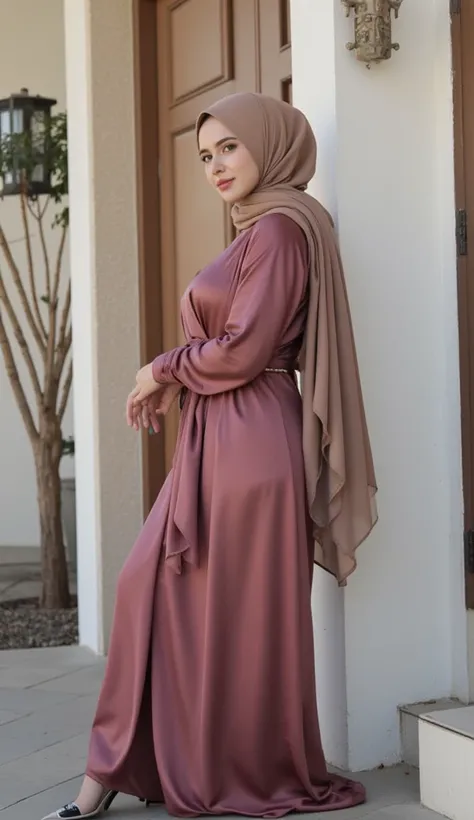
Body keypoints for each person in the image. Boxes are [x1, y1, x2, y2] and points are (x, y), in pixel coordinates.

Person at [42, 92, 377, 820]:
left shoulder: (285, 229)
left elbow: (247, 349)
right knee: (151, 588)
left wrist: (160, 370)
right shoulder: (258, 230)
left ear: (269, 142)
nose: (215, 165)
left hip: (252, 438)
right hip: (218, 431)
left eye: (228, 146)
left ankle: (184, 770)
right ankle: (115, 772)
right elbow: (229, 352)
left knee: (229, 611)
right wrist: (175, 380)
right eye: (204, 156)